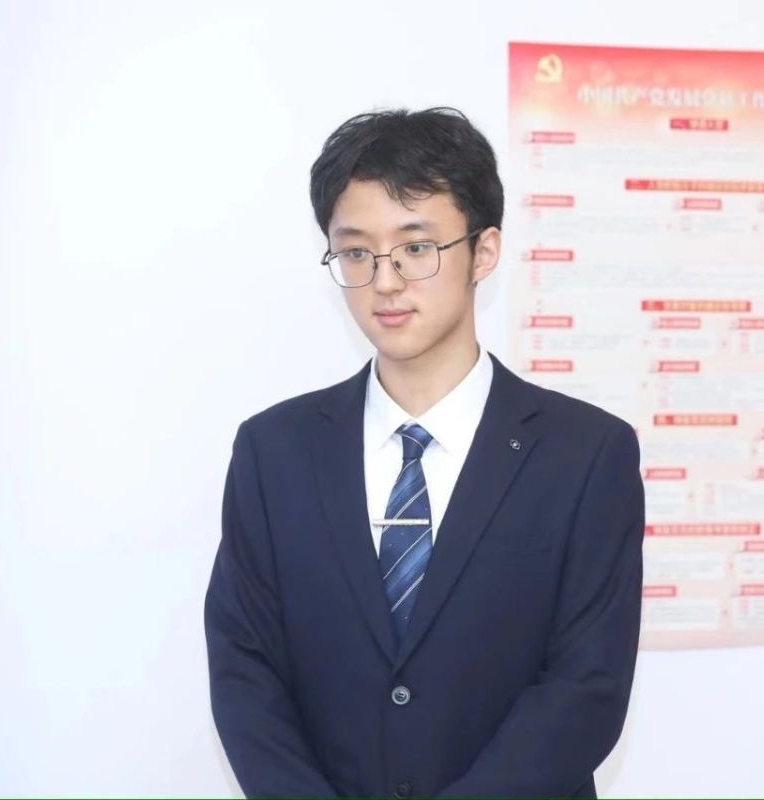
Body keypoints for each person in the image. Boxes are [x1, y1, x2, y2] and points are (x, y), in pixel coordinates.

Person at [204, 106, 645, 798]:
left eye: (415, 248)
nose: (385, 281)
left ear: (484, 252)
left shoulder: (586, 454)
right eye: (356, 252)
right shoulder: (274, 451)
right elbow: (245, 673)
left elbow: (585, 688)